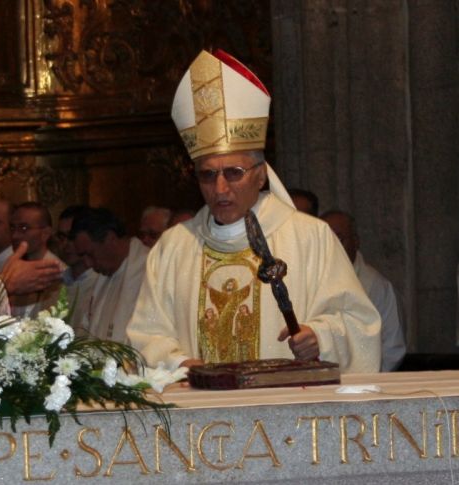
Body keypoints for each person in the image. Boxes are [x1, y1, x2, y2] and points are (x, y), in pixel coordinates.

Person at [126, 50, 381, 373]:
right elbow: (146, 334)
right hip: (201, 413)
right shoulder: (173, 247)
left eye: (233, 172)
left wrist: (320, 336)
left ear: (260, 174)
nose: (220, 188)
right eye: (207, 174)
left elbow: (360, 322)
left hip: (286, 408)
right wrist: (180, 364)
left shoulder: (309, 236)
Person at [321, 210, 406, 371]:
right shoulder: (312, 280)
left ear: (355, 241)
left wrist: (369, 381)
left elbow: (393, 346)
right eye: (327, 239)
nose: (333, 246)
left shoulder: (377, 286)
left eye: (339, 238)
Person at [71, 208, 149, 343]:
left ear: (110, 238)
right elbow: (85, 328)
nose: (88, 263)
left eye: (90, 254)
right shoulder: (102, 275)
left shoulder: (149, 269)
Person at [8, 202, 65, 317]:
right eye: (12, 228)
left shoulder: (57, 273)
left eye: (24, 228)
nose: (15, 235)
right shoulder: (14, 271)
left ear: (45, 233)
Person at [55, 205, 96, 323]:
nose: (66, 244)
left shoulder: (100, 281)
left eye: (72, 237)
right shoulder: (55, 283)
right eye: (62, 237)